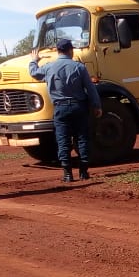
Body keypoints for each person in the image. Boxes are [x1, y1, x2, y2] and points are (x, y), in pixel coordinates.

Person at [29, 39, 103, 183]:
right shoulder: (79, 67)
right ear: (71, 50)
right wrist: (97, 106)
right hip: (79, 107)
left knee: (63, 140)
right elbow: (91, 88)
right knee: (82, 138)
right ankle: (83, 171)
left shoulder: (49, 67)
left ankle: (67, 174)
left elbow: (34, 73)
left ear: (57, 51)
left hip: (60, 109)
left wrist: (34, 60)